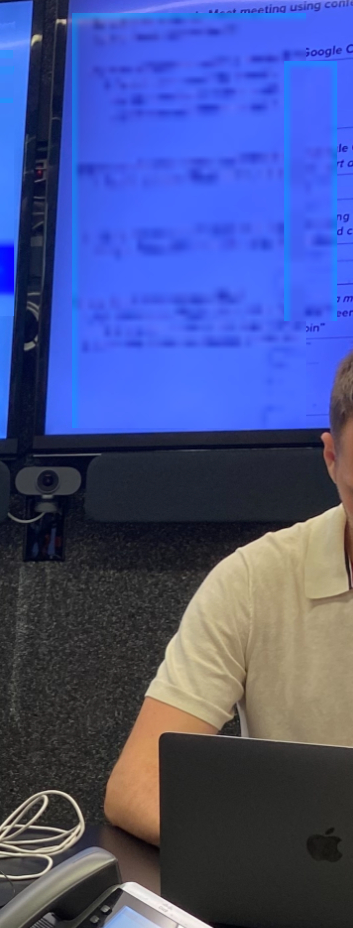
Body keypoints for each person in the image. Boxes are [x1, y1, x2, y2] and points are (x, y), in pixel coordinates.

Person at [105, 351, 353, 845]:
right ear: (331, 460)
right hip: (297, 884)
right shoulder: (256, 579)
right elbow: (136, 785)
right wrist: (267, 854)